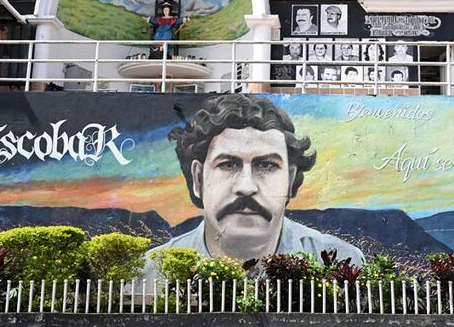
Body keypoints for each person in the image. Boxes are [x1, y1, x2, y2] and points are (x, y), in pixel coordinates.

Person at [143, 95, 364, 281]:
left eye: (266, 165)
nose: (246, 187)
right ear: (198, 178)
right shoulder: (151, 272)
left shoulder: (342, 261)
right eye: (227, 164)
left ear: (290, 178)